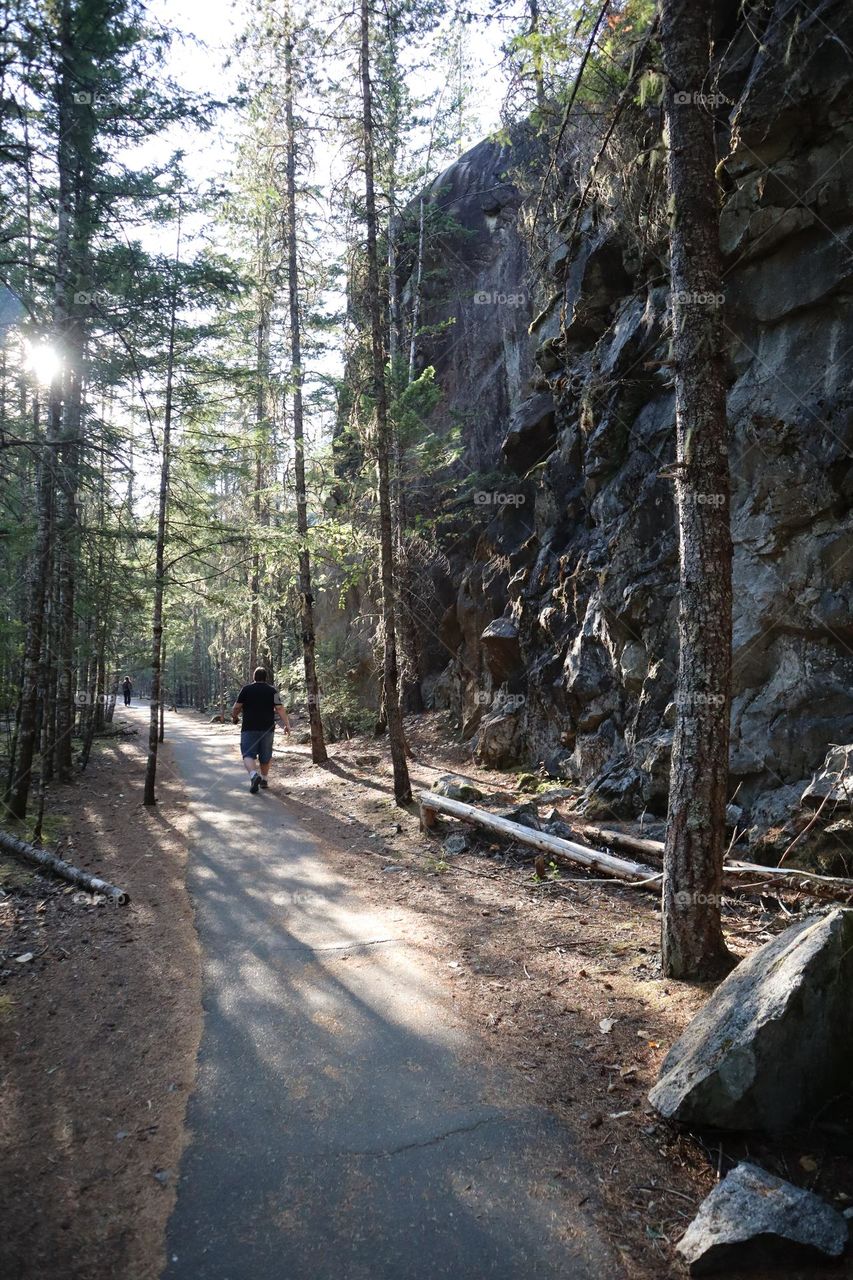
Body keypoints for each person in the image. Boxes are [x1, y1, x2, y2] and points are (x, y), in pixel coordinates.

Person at [231, 667, 290, 794]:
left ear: (254, 677)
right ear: (265, 678)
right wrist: (287, 724)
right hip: (267, 728)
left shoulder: (246, 689)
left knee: (248, 754)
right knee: (265, 755)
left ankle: (253, 775)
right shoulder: (272, 691)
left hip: (249, 727)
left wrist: (235, 717)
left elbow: (236, 707)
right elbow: (279, 708)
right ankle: (264, 779)